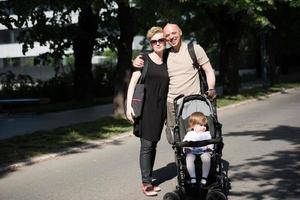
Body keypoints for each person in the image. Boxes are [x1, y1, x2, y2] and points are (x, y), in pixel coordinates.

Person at [133, 23, 217, 144]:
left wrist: (211, 88)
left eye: (174, 33)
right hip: (172, 104)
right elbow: (149, 59)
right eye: (167, 35)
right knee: (176, 139)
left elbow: (209, 70)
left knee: (198, 135)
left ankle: (200, 160)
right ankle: (182, 162)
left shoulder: (194, 49)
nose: (171, 37)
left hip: (193, 101)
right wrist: (134, 61)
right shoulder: (165, 54)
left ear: (180, 32)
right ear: (165, 39)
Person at [126, 26, 169, 197]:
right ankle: (146, 182)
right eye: (154, 41)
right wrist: (128, 105)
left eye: (160, 40)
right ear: (151, 43)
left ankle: (149, 178)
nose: (158, 43)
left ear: (165, 41)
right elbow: (133, 83)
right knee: (147, 145)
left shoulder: (168, 59)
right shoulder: (144, 59)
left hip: (161, 108)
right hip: (145, 107)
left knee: (154, 144)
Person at [183, 112, 213, 186]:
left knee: (206, 158)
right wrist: (186, 148)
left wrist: (209, 148)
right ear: (193, 125)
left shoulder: (207, 134)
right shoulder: (190, 134)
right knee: (189, 158)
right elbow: (185, 143)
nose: (204, 127)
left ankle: (204, 178)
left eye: (204, 125)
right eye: (201, 125)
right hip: (192, 151)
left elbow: (211, 142)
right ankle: (193, 177)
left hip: (204, 151)